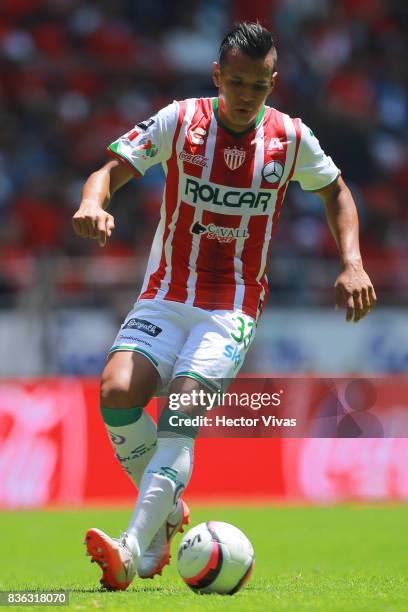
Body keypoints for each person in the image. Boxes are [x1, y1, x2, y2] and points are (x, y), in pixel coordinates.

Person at [73, 22, 376, 591]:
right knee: (115, 393)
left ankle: (133, 548)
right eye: (235, 83)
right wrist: (93, 201)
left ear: (273, 82)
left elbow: (337, 190)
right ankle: (167, 513)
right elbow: (111, 170)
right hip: (165, 293)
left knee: (182, 410)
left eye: (258, 86)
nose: (245, 96)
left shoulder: (290, 138)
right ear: (218, 76)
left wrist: (353, 261)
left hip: (230, 306)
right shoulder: (181, 120)